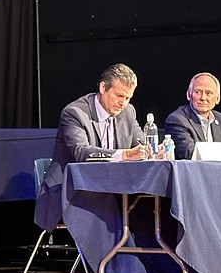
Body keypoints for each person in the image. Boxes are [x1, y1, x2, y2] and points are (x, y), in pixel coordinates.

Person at [35, 63, 149, 230]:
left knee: (148, 209)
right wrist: (123, 155)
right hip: (72, 191)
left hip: (113, 189)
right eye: (119, 95)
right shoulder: (74, 113)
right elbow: (81, 153)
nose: (123, 103)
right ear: (103, 87)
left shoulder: (128, 112)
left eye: (128, 98)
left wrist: (151, 151)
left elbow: (140, 145)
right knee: (112, 215)